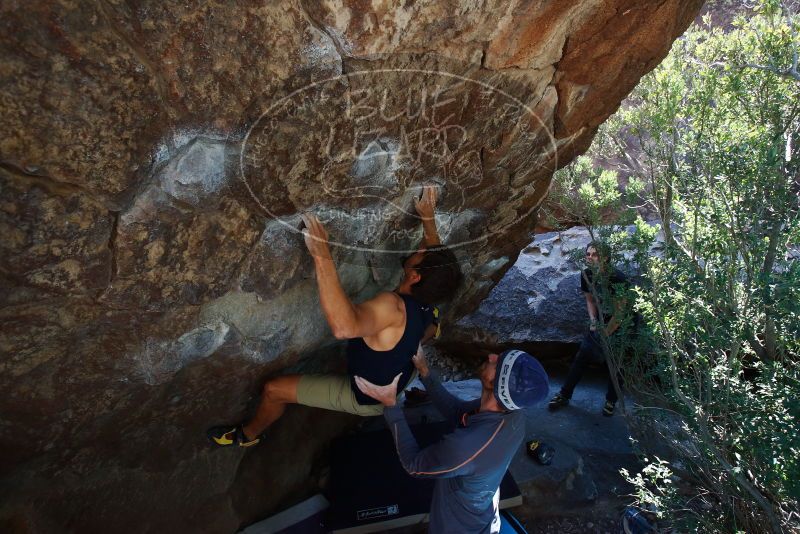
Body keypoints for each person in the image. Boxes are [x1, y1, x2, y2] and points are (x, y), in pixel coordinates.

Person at [207, 186, 463, 447]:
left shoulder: (392, 307)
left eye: (420, 253)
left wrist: (322, 255)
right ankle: (432, 331)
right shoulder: (431, 292)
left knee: (275, 390)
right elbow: (434, 255)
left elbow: (344, 327)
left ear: (415, 275)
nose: (419, 248)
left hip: (372, 396)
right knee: (425, 327)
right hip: (402, 371)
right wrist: (428, 220)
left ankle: (248, 436)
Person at [355, 346, 549, 534]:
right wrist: (425, 371)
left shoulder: (467, 447)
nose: (491, 356)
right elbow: (457, 412)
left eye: (497, 363)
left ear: (494, 383)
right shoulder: (513, 413)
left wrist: (391, 405)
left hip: (456, 527)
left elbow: (414, 465)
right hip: (483, 513)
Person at [548, 241, 630, 416]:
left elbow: (620, 312)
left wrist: (606, 333)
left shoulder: (617, 278)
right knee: (581, 357)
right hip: (600, 321)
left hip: (621, 325)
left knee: (616, 365)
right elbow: (590, 300)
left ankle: (611, 401)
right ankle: (564, 394)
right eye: (588, 254)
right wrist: (593, 321)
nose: (590, 258)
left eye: (595, 254)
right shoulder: (586, 274)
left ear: (606, 258)